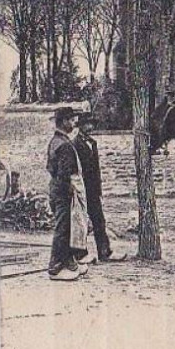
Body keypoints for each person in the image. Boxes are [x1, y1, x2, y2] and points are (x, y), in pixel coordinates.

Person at [74, 112, 126, 263]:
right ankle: (80, 254)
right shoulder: (75, 144)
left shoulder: (93, 143)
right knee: (81, 222)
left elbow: (96, 170)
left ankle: (104, 252)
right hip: (82, 190)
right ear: (81, 126)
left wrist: (99, 190)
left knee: (99, 221)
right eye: (86, 124)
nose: (90, 127)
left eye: (91, 124)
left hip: (93, 190)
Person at [46, 107, 89, 282]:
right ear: (63, 121)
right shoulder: (63, 144)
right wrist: (70, 190)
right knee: (63, 229)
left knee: (69, 228)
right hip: (63, 191)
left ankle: (69, 263)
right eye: (71, 120)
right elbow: (64, 173)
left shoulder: (56, 141)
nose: (73, 123)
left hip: (57, 189)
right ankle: (55, 268)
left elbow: (50, 168)